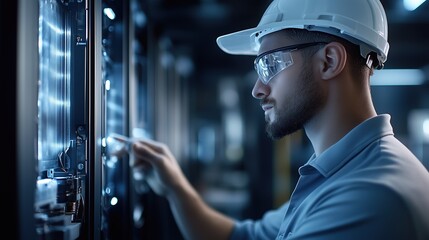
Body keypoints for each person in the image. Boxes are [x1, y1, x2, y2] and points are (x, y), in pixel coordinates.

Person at [126, 0, 429, 239]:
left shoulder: (370, 196)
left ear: (329, 61)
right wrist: (175, 188)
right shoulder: (341, 171)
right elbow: (242, 237)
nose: (258, 89)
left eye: (270, 64)